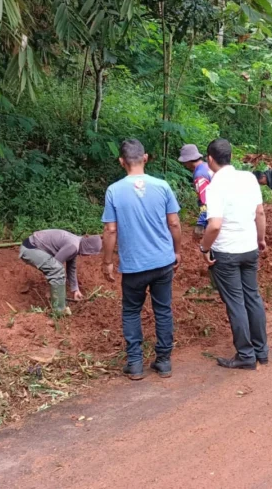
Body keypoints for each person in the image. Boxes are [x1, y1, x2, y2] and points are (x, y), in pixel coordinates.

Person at [101, 139, 182, 381]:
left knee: (131, 311)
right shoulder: (163, 186)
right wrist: (177, 251)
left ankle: (135, 363)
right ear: (145, 158)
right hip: (162, 261)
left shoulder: (114, 190)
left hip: (134, 265)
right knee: (163, 310)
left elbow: (110, 230)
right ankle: (164, 362)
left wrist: (107, 261)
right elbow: (175, 223)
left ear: (121, 162)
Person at [200, 139, 269, 370]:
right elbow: (260, 212)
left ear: (210, 159)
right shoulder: (249, 178)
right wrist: (260, 239)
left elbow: (215, 225)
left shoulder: (214, 186)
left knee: (235, 303)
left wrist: (204, 248)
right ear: (231, 156)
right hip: (249, 248)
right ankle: (262, 351)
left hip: (226, 253)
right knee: (253, 297)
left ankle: (246, 355)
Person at [19, 229, 102, 314]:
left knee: (57, 269)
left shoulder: (76, 242)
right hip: (30, 249)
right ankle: (59, 311)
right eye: (90, 253)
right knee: (57, 269)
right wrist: (52, 292)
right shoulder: (73, 246)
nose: (88, 256)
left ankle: (59, 306)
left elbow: (71, 267)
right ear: (88, 249)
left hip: (32, 246)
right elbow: (55, 266)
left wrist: (75, 290)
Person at [178, 144, 212, 236]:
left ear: (188, 160)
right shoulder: (207, 166)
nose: (184, 164)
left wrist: (201, 223)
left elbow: (206, 202)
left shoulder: (200, 175)